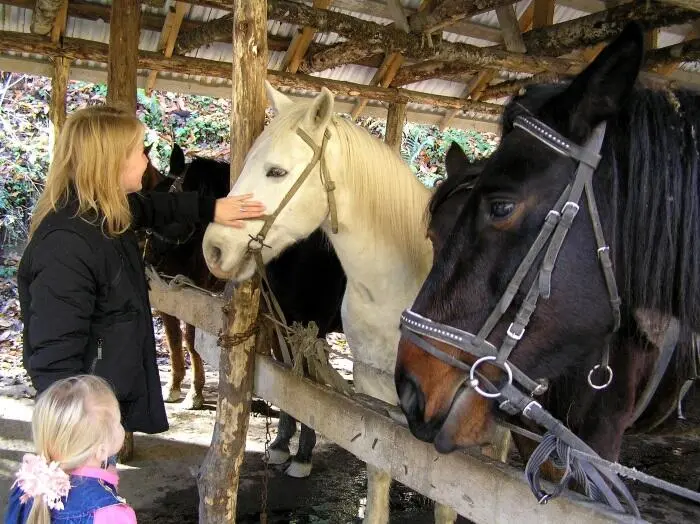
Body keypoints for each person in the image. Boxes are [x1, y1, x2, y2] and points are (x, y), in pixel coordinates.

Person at [17, 105, 264, 441]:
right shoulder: (67, 245)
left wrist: (211, 208)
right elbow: (55, 361)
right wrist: (77, 443)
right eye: (138, 151)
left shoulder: (100, 214)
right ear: (110, 161)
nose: (147, 161)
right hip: (84, 423)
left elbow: (151, 207)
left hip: (104, 400)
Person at [4, 375, 136, 523]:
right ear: (101, 451)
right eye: (118, 422)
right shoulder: (111, 513)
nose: (121, 427)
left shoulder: (28, 485)